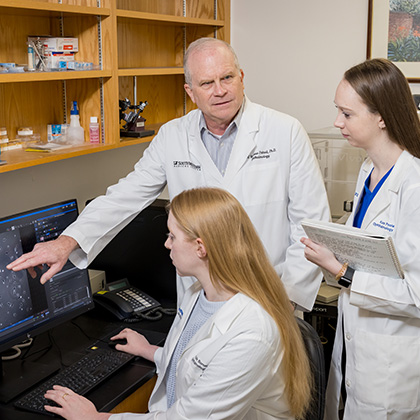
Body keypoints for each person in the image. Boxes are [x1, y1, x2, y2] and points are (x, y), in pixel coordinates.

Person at [7, 37, 329, 311]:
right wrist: (67, 242)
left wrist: (289, 300)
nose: (220, 91)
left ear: (242, 77)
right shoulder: (173, 136)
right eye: (207, 83)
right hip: (197, 299)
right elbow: (126, 195)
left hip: (267, 296)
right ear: (190, 91)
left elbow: (310, 224)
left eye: (227, 78)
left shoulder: (284, 131)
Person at [43, 187, 313, 420]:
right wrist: (151, 351)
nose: (166, 244)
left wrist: (98, 418)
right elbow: (197, 362)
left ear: (200, 247)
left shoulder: (252, 333)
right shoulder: (202, 291)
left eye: (172, 236)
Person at [301, 58, 420, 419]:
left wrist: (341, 271)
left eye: (347, 114)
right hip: (358, 346)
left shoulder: (414, 187)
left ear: (381, 116)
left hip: (393, 364)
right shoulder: (369, 170)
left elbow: (416, 295)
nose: (337, 122)